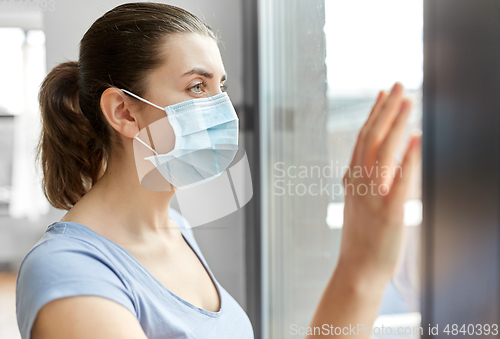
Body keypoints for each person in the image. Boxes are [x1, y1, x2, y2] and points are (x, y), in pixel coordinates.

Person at [15, 2, 421, 339]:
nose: (221, 109)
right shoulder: (69, 274)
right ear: (124, 112)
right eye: (197, 87)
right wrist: (360, 271)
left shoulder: (175, 228)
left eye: (220, 88)